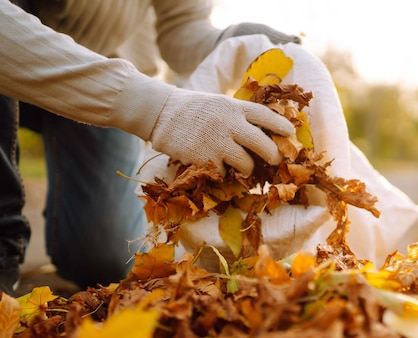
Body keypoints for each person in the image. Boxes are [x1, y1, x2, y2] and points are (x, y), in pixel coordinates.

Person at [0, 0, 301, 295]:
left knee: (104, 258)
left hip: (101, 77)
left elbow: (181, 27)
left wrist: (229, 40)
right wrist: (158, 109)